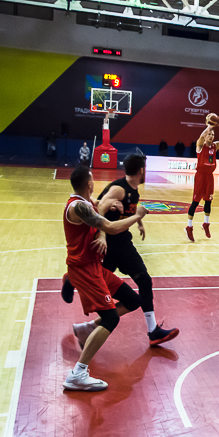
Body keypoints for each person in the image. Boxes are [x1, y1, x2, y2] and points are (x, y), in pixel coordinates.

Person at [59, 166, 151, 391]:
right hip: (84, 270)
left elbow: (99, 212)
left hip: (95, 267)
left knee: (133, 301)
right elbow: (109, 226)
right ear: (89, 184)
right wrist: (137, 216)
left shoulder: (87, 203)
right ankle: (77, 374)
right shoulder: (78, 206)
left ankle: (87, 329)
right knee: (111, 318)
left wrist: (110, 208)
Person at [91, 154, 179, 347]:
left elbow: (129, 207)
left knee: (142, 280)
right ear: (141, 170)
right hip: (111, 245)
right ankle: (72, 281)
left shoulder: (133, 189)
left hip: (122, 244)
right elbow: (98, 209)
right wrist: (102, 235)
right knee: (97, 282)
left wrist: (138, 222)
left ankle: (153, 331)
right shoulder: (119, 189)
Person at [185, 114, 219, 242]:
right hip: (200, 176)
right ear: (205, 136)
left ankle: (206, 224)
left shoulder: (215, 146)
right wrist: (209, 127)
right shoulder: (200, 145)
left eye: (212, 134)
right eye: (209, 134)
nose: (211, 136)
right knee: (195, 202)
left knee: (208, 201)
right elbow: (201, 137)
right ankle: (189, 227)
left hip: (209, 177)